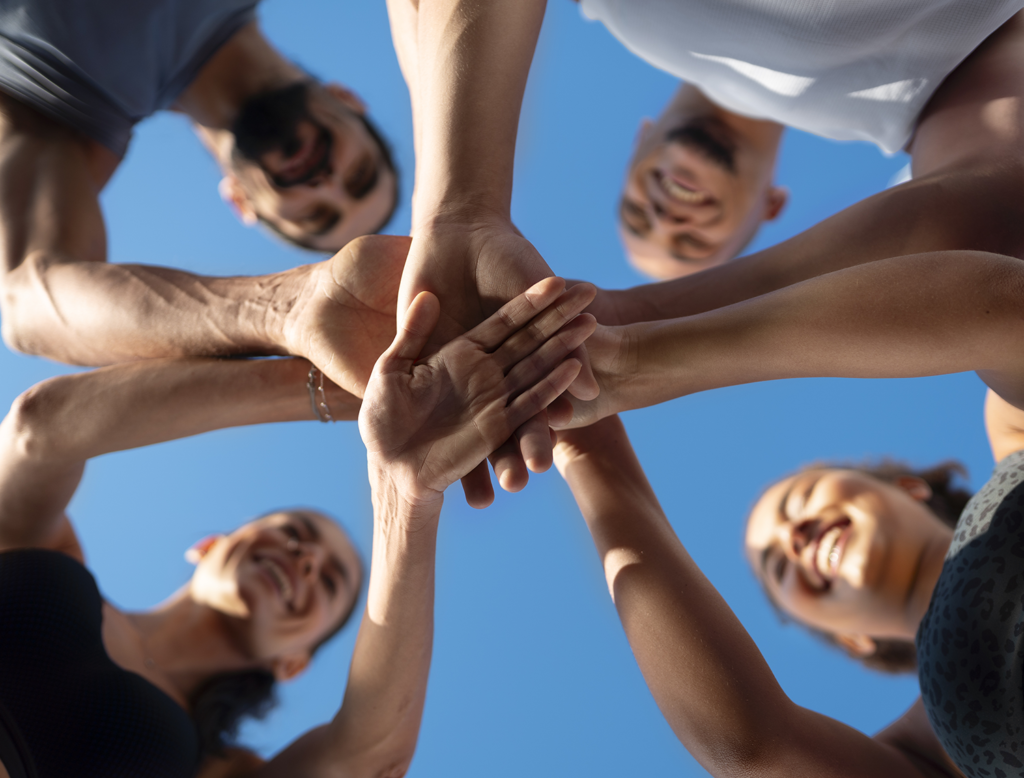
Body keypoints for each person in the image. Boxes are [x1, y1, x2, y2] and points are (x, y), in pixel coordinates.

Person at [0, 275, 596, 778]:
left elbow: (373, 756)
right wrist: (347, 390)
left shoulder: (219, 768)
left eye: (329, 580)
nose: (302, 559)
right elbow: (38, 431)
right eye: (290, 532)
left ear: (294, 663)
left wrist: (406, 494)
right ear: (207, 546)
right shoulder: (51, 558)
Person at [553, 412, 973, 778]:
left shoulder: (1013, 429)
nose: (793, 536)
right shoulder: (933, 752)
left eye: (802, 498)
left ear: (909, 486)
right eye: (779, 566)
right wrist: (589, 450)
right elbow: (757, 747)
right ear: (854, 641)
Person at [0, 0, 398, 369]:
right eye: (359, 175)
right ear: (348, 100)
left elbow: (29, 302)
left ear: (240, 201)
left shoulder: (64, 110)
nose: (324, 184)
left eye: (315, 215)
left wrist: (292, 311)